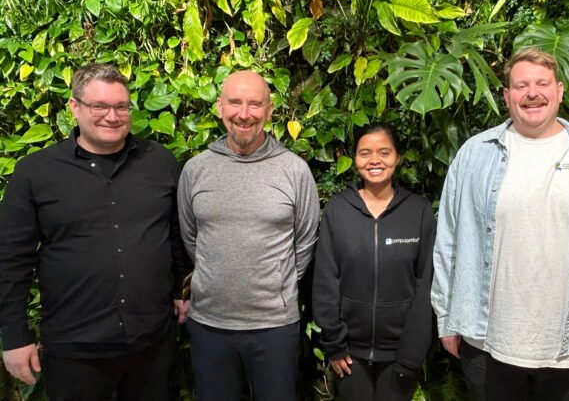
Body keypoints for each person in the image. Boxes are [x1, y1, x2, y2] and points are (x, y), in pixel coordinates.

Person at [430, 47, 569, 400]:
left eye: (542, 84)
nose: (532, 93)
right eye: (521, 85)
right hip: (486, 341)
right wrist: (446, 316)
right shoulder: (475, 154)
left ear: (559, 91)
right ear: (507, 96)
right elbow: (448, 241)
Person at [0, 63, 188, 400]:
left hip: (152, 343)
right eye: (99, 106)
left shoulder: (160, 162)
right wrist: (14, 336)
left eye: (121, 107)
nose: (112, 117)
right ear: (75, 106)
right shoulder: (35, 172)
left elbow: (174, 234)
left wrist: (179, 289)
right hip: (74, 349)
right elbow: (11, 259)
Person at [176, 70, 320, 401]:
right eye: (235, 103)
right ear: (219, 107)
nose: (244, 114)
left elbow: (305, 242)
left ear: (269, 111)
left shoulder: (294, 171)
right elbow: (190, 237)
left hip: (274, 326)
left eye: (255, 104)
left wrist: (276, 282)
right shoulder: (196, 170)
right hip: (209, 324)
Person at [312, 124, 436, 400]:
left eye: (384, 152)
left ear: (398, 157)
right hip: (349, 354)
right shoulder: (337, 210)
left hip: (401, 354)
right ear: (355, 158)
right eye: (365, 153)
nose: (374, 160)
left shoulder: (418, 211)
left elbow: (425, 286)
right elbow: (325, 280)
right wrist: (334, 344)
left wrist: (413, 353)